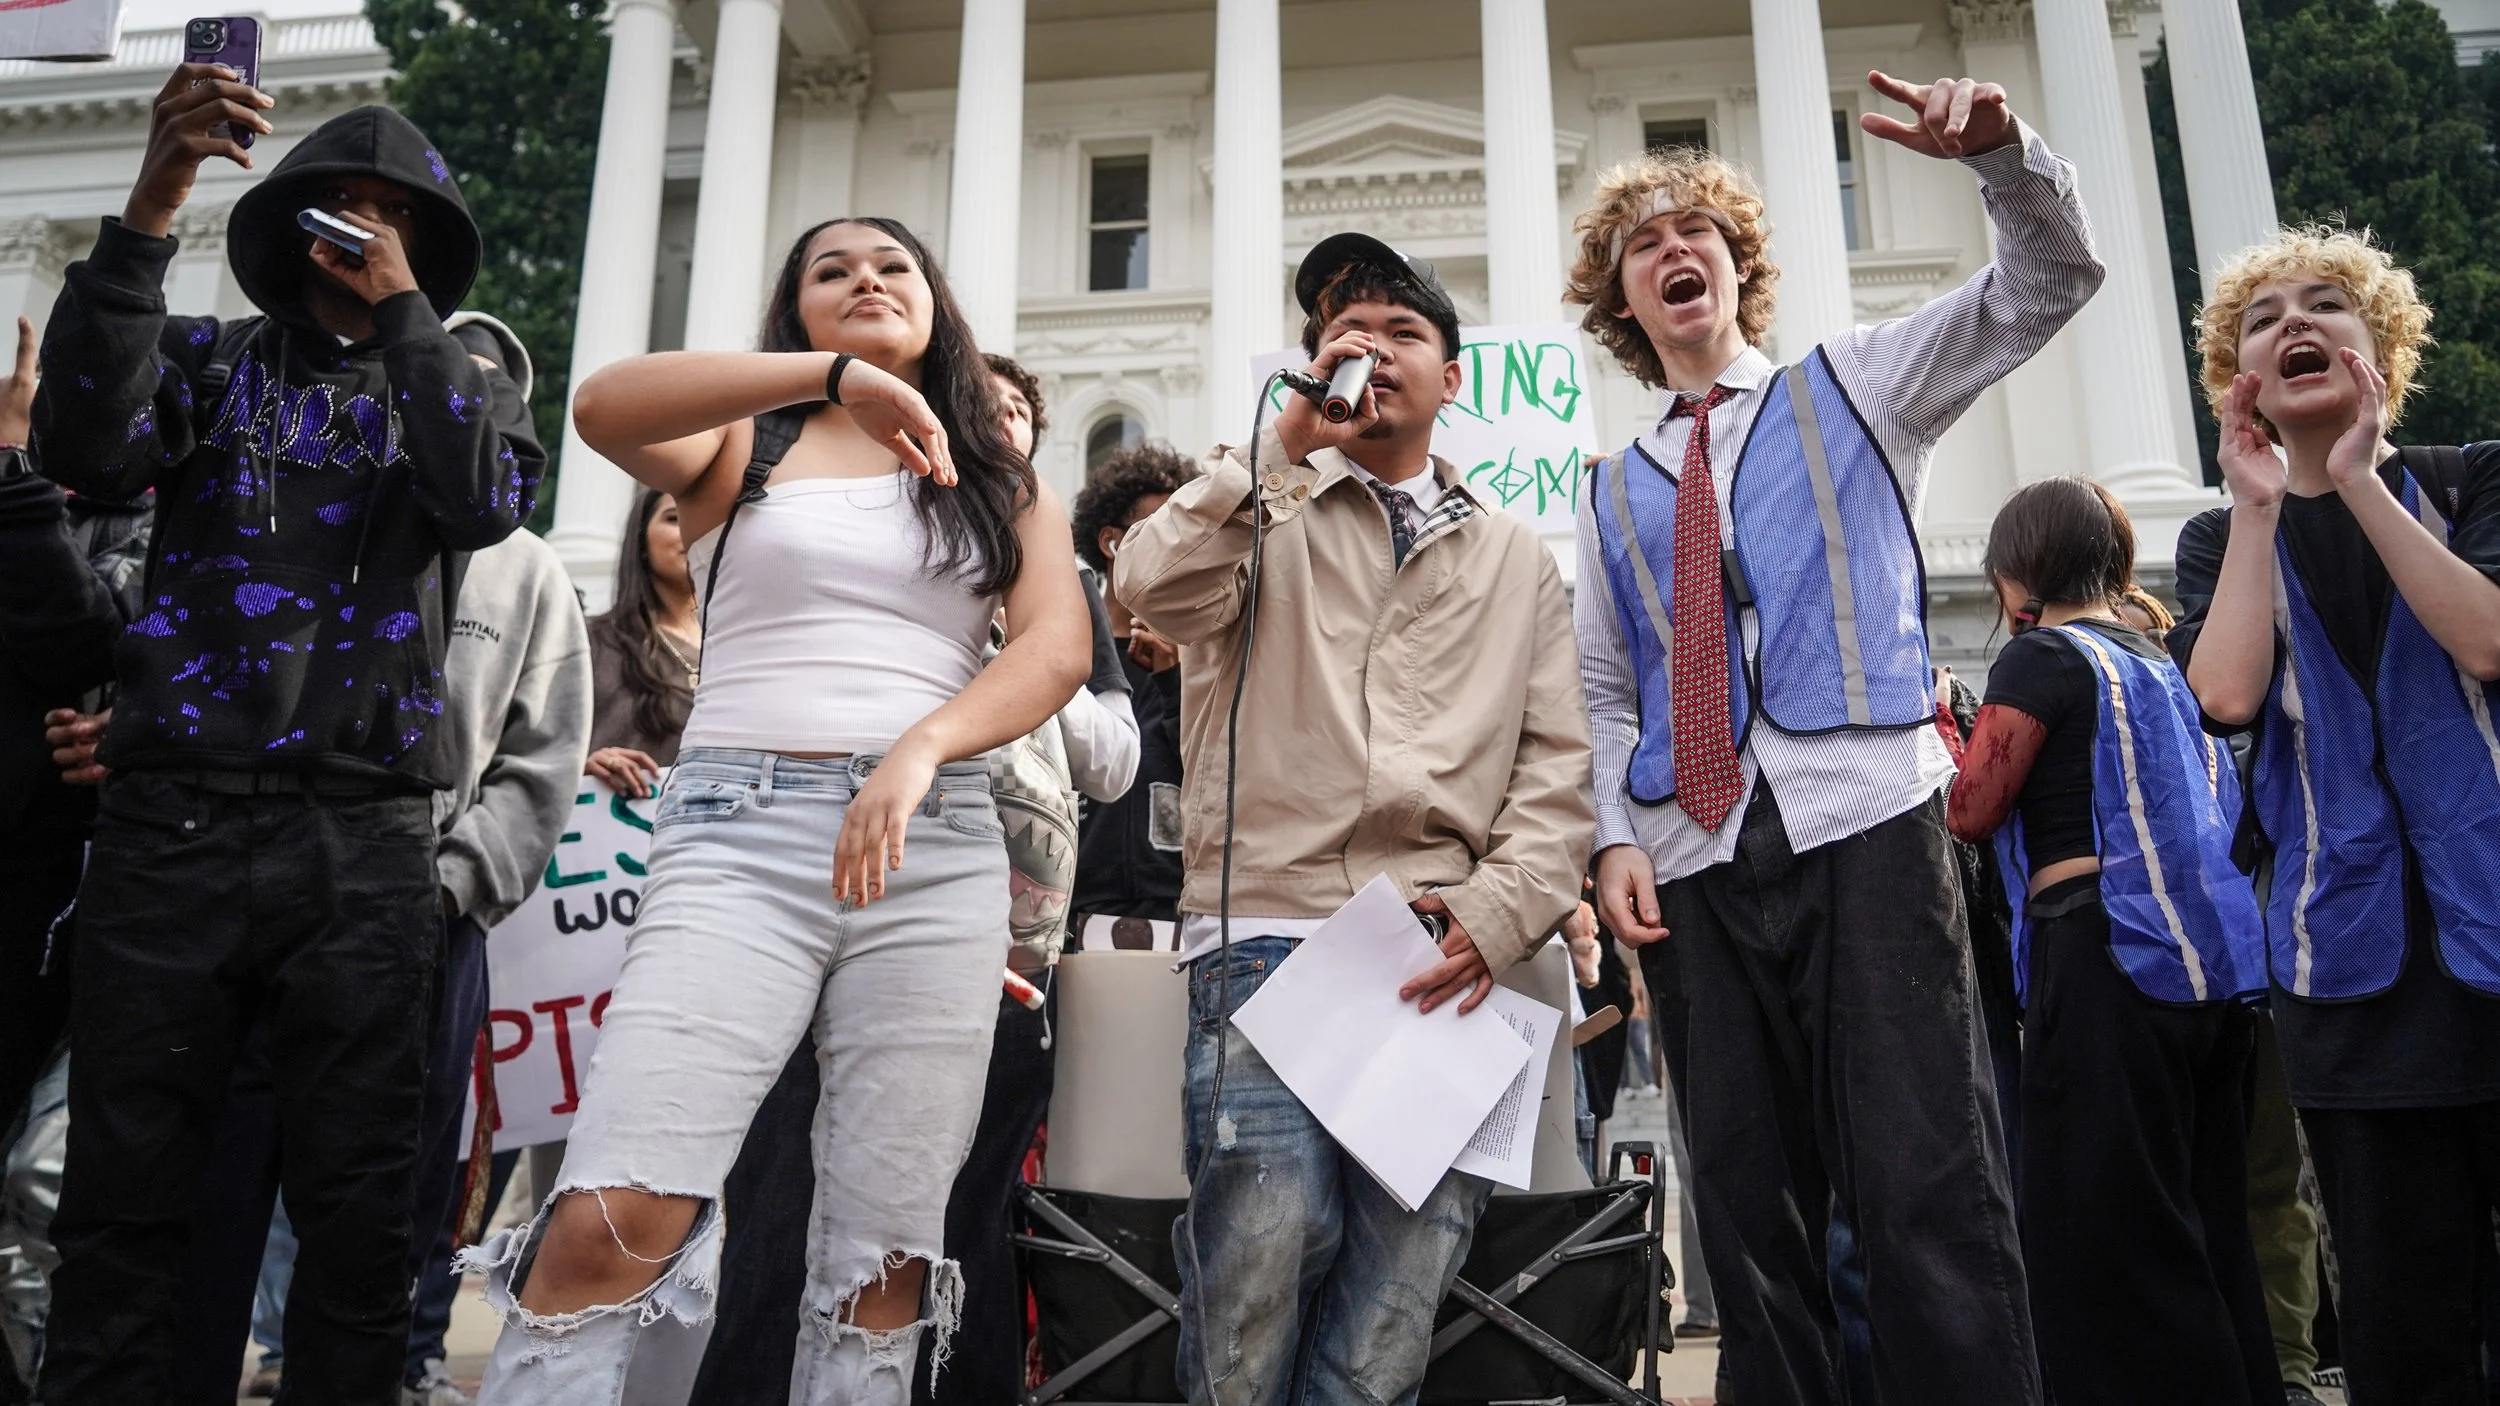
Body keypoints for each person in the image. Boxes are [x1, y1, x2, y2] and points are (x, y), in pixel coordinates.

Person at [463, 216, 1092, 1405]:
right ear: (796, 310)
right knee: (612, 1212)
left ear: (935, 302)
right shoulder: (740, 440)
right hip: (735, 840)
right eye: (830, 271)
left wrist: (925, 743)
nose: (863, 278)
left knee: (882, 1259)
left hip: (936, 842)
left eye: (891, 266)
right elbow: (602, 405)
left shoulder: (997, 477)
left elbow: (1057, 647)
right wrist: (837, 378)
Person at [1571, 71, 2102, 1404]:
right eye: (1645, 244)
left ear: (1738, 268)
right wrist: (1611, 842)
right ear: (1622, 303)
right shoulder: (1607, 484)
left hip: (1866, 820)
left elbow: (2045, 285)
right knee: (1748, 1212)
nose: (1673, 249)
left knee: (1926, 1181)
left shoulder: (1858, 382)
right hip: (1694, 854)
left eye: (1699, 230)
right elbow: (1603, 684)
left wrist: (2004, 160)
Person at [27, 59, 542, 1400]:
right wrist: (158, 192)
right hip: (170, 830)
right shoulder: (206, 360)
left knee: (360, 1217)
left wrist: (407, 311)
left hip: (366, 840)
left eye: (393, 211)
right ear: (290, 224)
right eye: (339, 204)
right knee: (123, 1199)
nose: (363, 227)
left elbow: (482, 498)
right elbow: (82, 441)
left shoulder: (468, 386)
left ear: (425, 241)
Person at [1115, 231, 1593, 1406]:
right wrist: (1270, 456)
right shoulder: (1262, 506)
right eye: (1342, 333)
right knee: (1261, 1253)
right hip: (1264, 935)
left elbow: (1553, 773)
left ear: (1453, 378)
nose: (1367, 349)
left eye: (1400, 332)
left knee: (1398, 1285)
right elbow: (1147, 587)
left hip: (1440, 951)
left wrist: (1492, 913)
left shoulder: (1517, 558)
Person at [682, 350, 1138, 1406]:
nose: (1001, 427)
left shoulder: (1055, 591)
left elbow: (1114, 760)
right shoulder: (844, 543)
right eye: (981, 409)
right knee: (782, 1215)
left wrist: (1014, 660)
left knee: (956, 1233)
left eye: (1019, 414)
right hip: (813, 917)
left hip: (998, 960)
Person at [2170, 224, 2500, 1405]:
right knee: (2406, 1330)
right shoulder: (2220, 536)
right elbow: (2223, 693)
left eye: (2325, 306)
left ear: (2380, 349)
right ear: (2240, 376)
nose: (2295, 324)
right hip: (2347, 981)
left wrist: (2358, 479)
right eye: (2264, 319)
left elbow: (2486, 637)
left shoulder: (2471, 480)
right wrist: (2259, 505)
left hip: (2493, 942)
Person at [1943, 477, 2279, 1405]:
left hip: (2103, 957)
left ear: (2018, 575)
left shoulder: (2043, 656)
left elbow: (1971, 808)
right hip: (2212, 973)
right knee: (2207, 1220)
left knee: (2104, 1235)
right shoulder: (2159, 658)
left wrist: (1947, 737)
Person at [1068, 441, 1197, 949]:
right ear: (1111, 543)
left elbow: (1216, 775)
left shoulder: (1208, 653)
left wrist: (1174, 682)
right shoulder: (1064, 650)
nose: (1182, 548)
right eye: (1165, 530)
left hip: (1181, 913)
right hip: (1068, 912)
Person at [584, 486, 698, 801]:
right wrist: (584, 765)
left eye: (708, 521)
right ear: (642, 540)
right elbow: (534, 748)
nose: (694, 529)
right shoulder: (591, 643)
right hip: (612, 833)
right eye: (674, 518)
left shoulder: (744, 651)